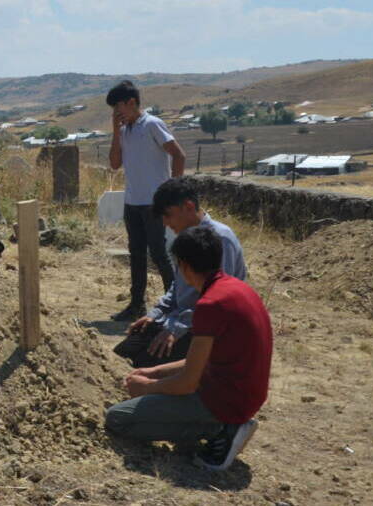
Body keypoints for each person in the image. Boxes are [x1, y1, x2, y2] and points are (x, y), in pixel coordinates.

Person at [105, 226, 272, 471]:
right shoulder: (237, 288)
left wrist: (147, 389)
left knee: (118, 418)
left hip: (224, 401)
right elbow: (201, 361)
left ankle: (219, 429)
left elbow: (188, 383)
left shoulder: (209, 304)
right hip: (244, 394)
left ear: (183, 266)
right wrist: (156, 372)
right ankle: (222, 424)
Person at [114, 177, 247, 368]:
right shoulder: (187, 237)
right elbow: (178, 285)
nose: (166, 223)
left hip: (205, 327)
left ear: (189, 206)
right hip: (178, 319)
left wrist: (175, 329)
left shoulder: (219, 239)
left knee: (142, 364)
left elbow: (217, 303)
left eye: (168, 215)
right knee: (123, 353)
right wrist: (157, 313)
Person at [107, 81, 186, 321]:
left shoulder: (152, 124)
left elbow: (178, 155)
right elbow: (114, 163)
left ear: (131, 102)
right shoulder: (125, 130)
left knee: (159, 253)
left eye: (118, 106)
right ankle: (136, 304)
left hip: (154, 202)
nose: (116, 113)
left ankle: (175, 303)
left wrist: (172, 190)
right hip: (132, 201)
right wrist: (115, 131)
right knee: (137, 253)